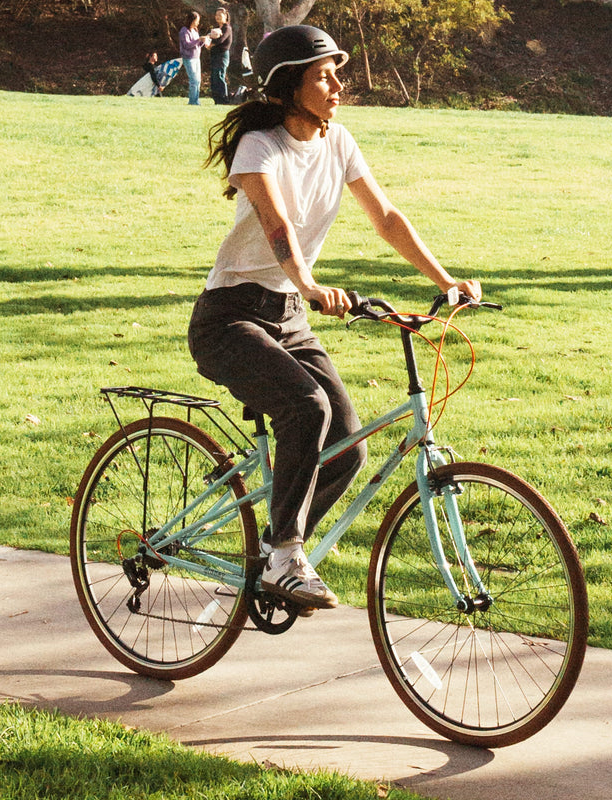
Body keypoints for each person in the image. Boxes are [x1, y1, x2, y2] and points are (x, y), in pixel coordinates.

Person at [188, 25, 481, 611]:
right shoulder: (260, 148)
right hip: (229, 318)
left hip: (290, 317)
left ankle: (274, 552)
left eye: (334, 73)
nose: (338, 84)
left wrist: (445, 281)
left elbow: (387, 217)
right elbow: (279, 229)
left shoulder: (339, 141)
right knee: (307, 406)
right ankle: (286, 557)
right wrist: (310, 282)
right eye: (323, 75)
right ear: (290, 85)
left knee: (348, 445)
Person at [179, 11, 209, 105]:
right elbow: (187, 45)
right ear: (192, 20)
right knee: (193, 80)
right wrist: (198, 40)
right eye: (197, 21)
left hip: (196, 58)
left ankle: (196, 100)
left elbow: (197, 45)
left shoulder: (195, 30)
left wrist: (203, 41)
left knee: (198, 80)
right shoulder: (184, 31)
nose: (198, 23)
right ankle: (192, 101)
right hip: (189, 58)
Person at [205, 7, 232, 104]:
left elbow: (220, 40)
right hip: (214, 55)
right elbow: (208, 37)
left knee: (220, 75)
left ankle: (223, 99)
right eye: (216, 15)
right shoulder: (216, 28)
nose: (217, 17)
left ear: (225, 16)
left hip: (222, 55)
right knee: (214, 76)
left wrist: (211, 43)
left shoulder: (227, 28)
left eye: (220, 15)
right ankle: (216, 99)